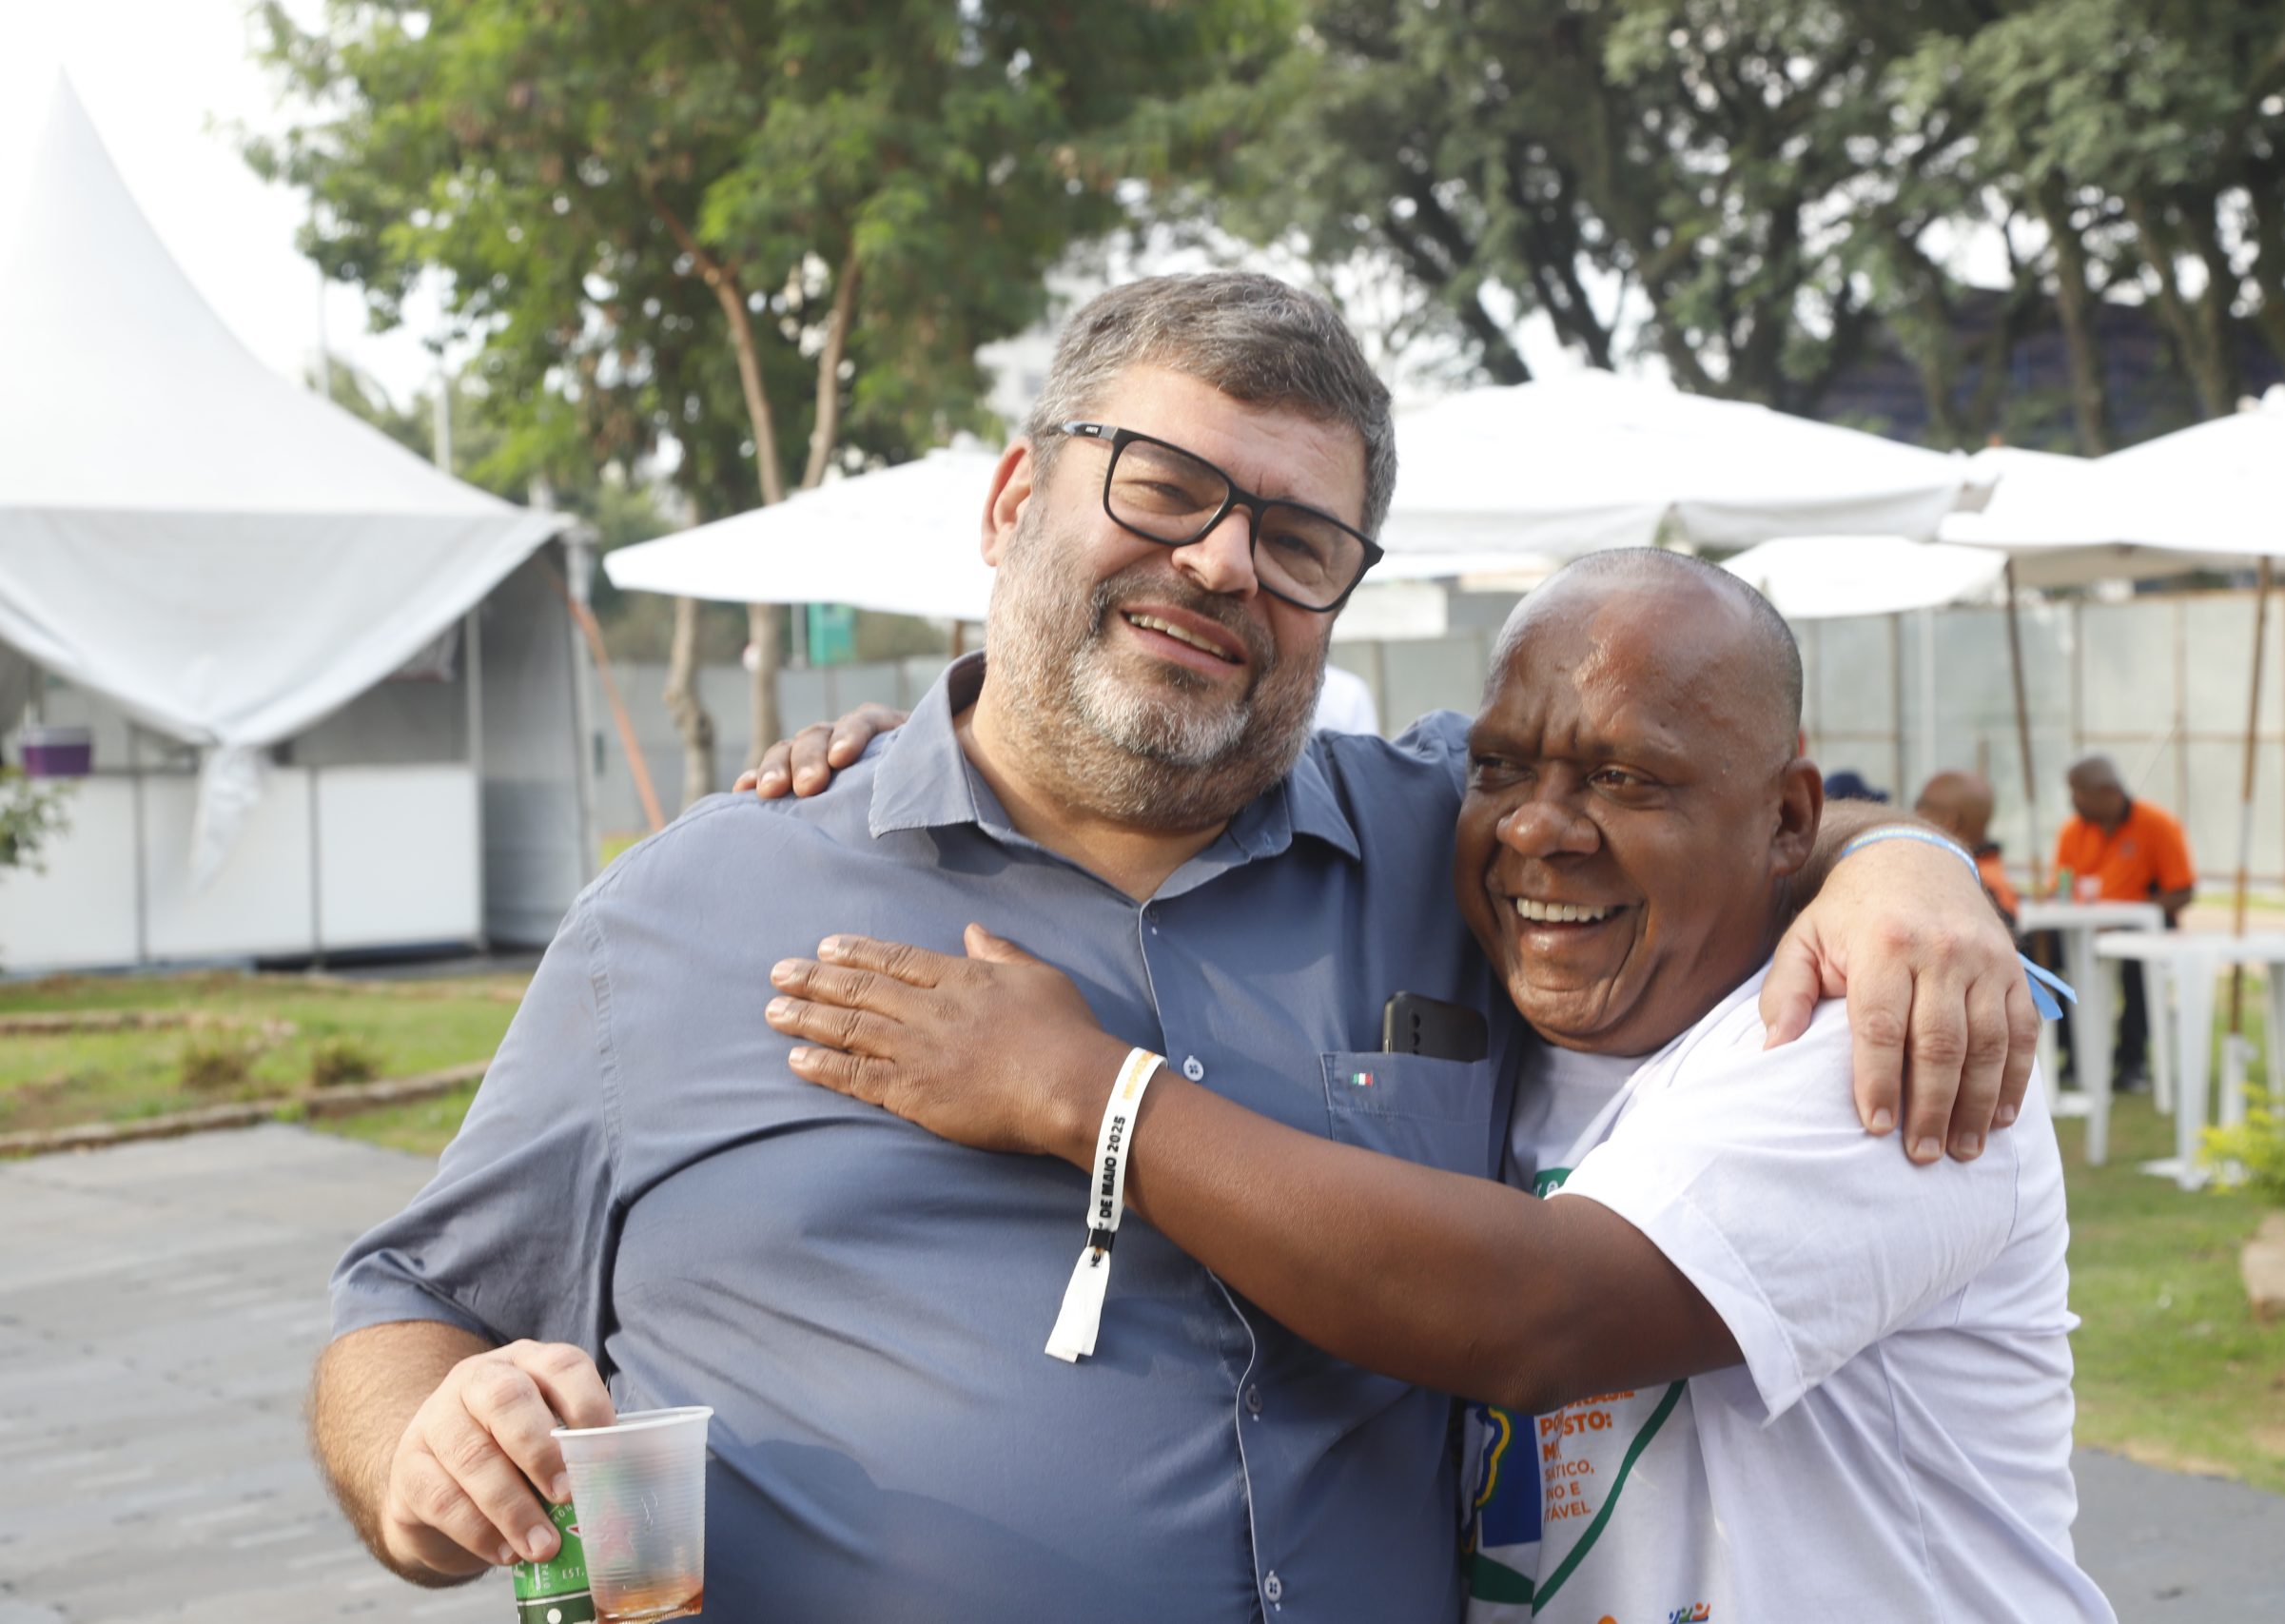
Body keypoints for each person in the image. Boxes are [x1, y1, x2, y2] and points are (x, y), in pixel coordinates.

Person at [312, 272, 2034, 1623]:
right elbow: (411, 1304)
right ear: (1014, 498)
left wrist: (1907, 868)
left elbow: (1691, 810)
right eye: (1165, 486)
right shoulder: (692, 909)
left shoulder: (1450, 839)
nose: (1221, 560)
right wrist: (423, 1450)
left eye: (1297, 539)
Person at [764, 550, 2109, 1619]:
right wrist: (973, 747)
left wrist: (1085, 1094)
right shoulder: (1492, 1001)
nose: (1539, 828)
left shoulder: (1885, 1042)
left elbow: (1535, 1316)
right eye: (1501, 766)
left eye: (1626, 777)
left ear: (1788, 820)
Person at [2053, 753, 2195, 1091]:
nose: (2073, 801)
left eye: (2079, 793)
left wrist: (2129, 917)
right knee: (2045, 957)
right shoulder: (2073, 831)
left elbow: (2182, 891)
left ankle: (2132, 1061)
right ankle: (2077, 1054)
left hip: (2143, 927)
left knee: (2137, 965)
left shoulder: (2157, 825)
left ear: (2108, 791)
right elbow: (2061, 887)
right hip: (2082, 928)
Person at [1917, 767, 2021, 926]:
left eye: (1921, 806)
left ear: (1948, 820)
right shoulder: (1991, 874)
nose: (1915, 815)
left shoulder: (1968, 884)